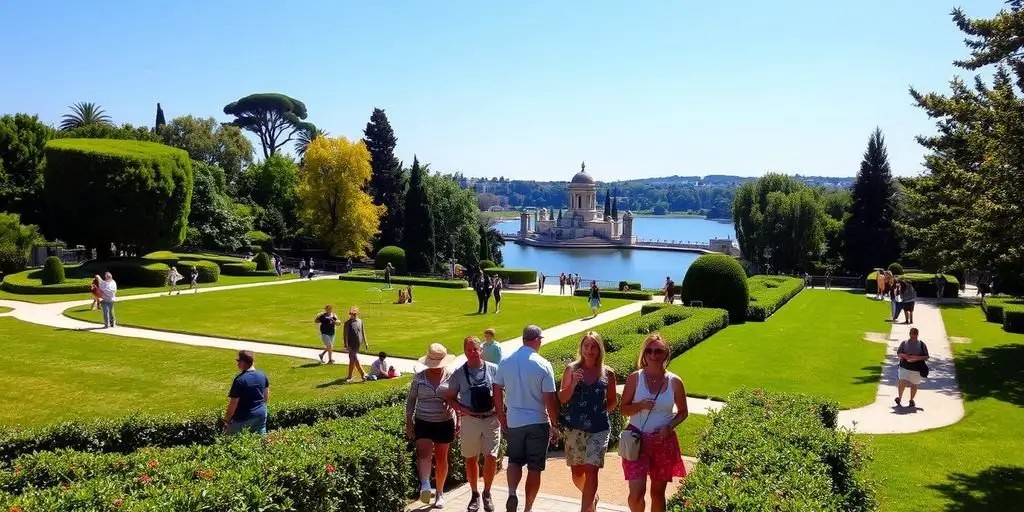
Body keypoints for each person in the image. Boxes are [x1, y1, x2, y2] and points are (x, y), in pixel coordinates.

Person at [493, 325, 559, 512]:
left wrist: (501, 414)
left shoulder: (506, 361)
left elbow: (496, 388)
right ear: (537, 340)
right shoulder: (543, 364)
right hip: (538, 421)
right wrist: (555, 425)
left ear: (524, 339)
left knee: (514, 461)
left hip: (514, 420)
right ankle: (528, 508)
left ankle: (512, 492)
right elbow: (549, 400)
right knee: (534, 468)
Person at [619, 334, 688, 512]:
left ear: (666, 354)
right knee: (636, 494)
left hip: (663, 442)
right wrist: (640, 406)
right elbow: (623, 409)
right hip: (636, 441)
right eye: (649, 350)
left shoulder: (675, 381)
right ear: (644, 353)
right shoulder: (635, 378)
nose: (653, 355)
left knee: (657, 493)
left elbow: (683, 412)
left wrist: (670, 426)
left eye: (658, 351)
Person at [558, 332, 617, 512]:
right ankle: (592, 498)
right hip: (574, 429)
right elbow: (562, 398)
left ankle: (586, 509)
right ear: (581, 348)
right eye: (586, 346)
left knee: (592, 470)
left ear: (599, 349)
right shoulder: (571, 369)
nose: (589, 350)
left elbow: (613, 400)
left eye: (593, 347)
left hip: (599, 429)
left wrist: (597, 414)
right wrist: (573, 384)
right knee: (577, 473)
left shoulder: (608, 373)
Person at [446, 337, 501, 512]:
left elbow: (504, 392)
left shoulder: (494, 369)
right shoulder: (459, 373)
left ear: (481, 350)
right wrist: (463, 409)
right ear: (464, 351)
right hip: (471, 420)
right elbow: (449, 397)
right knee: (471, 459)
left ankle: (487, 492)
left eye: (475, 349)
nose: (472, 353)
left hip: (491, 419)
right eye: (468, 350)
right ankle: (475, 493)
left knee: (491, 457)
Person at [407, 343, 457, 508]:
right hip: (423, 421)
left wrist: (453, 403)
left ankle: (440, 493)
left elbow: (458, 397)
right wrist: (409, 420)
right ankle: (426, 485)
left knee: (442, 458)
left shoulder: (451, 376)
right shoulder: (419, 378)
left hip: (445, 421)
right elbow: (411, 399)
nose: (436, 368)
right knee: (424, 454)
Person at [224, 350, 270, 434]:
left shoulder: (240, 380)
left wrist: (227, 419)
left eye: (238, 361)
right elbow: (266, 397)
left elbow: (233, 403)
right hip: (261, 414)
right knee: (260, 441)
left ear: (243, 362)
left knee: (232, 440)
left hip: (243, 417)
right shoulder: (263, 375)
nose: (237, 364)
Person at [895, 327, 930, 408]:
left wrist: (917, 358)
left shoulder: (921, 344)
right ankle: (899, 398)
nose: (913, 336)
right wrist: (905, 356)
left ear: (917, 335)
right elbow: (899, 353)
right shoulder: (904, 343)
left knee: (914, 384)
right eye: (912, 335)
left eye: (915, 335)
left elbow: (926, 356)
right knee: (902, 382)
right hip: (904, 366)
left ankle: (911, 400)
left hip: (916, 368)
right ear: (910, 334)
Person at [343, 306, 368, 382]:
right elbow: (345, 334)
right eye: (350, 313)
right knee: (354, 358)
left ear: (356, 314)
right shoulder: (347, 323)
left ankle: (350, 376)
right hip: (351, 344)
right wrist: (345, 344)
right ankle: (362, 373)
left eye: (353, 314)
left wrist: (365, 342)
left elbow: (363, 332)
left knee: (352, 359)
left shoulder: (360, 321)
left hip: (358, 343)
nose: (351, 315)